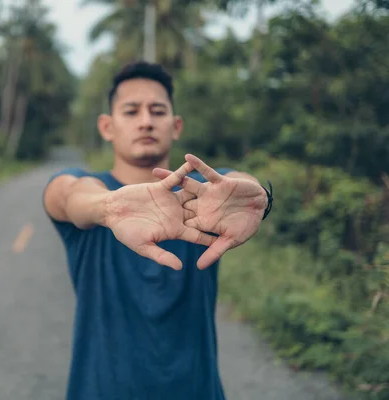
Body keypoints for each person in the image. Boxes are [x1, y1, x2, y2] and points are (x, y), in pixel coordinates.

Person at [42, 61, 273, 400]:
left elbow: (241, 186)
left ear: (176, 125)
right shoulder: (89, 189)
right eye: (131, 111)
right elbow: (68, 195)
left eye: (158, 111)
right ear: (107, 126)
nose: (146, 121)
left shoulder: (205, 193)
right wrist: (107, 208)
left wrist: (259, 197)